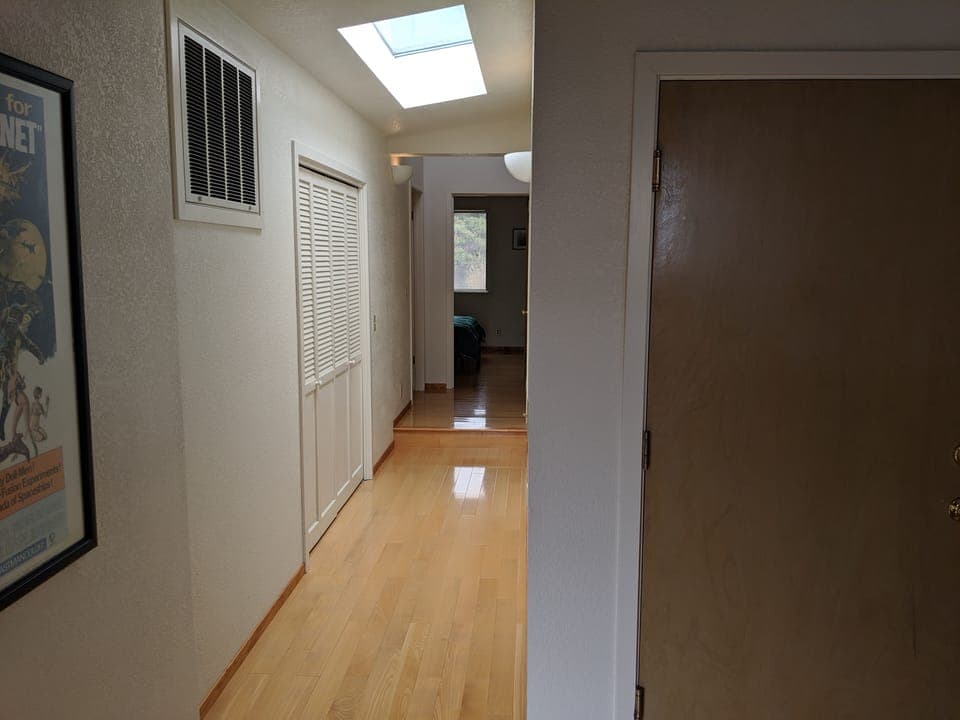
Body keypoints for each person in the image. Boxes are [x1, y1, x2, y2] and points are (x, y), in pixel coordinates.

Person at [28, 385, 48, 456]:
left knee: (45, 437)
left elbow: (45, 416)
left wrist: (47, 404)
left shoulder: (40, 405)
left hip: (38, 427)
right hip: (33, 428)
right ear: (38, 395)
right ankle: (33, 441)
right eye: (40, 394)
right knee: (41, 438)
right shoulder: (33, 404)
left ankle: (34, 444)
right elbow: (29, 416)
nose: (41, 395)